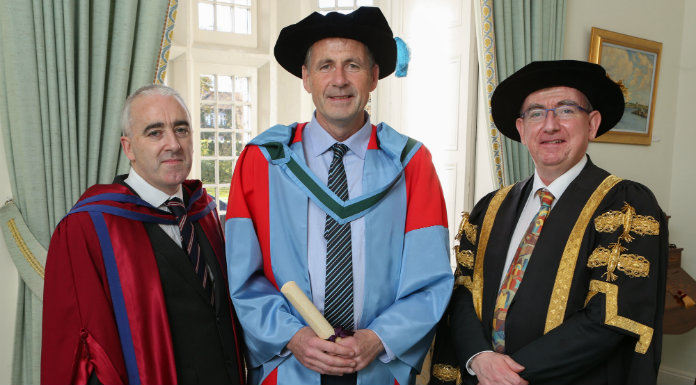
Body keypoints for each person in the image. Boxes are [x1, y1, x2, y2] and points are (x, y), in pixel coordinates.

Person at [225, 6, 453, 385]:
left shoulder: (411, 165)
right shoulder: (261, 161)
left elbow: (430, 280)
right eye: (325, 66)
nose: (340, 80)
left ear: (375, 77)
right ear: (306, 77)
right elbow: (243, 278)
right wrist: (292, 336)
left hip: (377, 367)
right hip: (293, 366)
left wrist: (379, 338)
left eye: (353, 65)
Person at [429, 60, 668, 385]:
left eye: (566, 110)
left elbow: (608, 317)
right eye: (536, 113)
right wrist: (479, 359)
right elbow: (462, 293)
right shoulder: (490, 207)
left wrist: (509, 374)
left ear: (592, 124)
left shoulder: (625, 206)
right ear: (521, 130)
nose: (550, 125)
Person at [41, 84, 246, 385]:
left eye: (181, 129)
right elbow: (84, 351)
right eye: (154, 132)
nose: (173, 144)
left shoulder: (205, 212)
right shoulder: (88, 228)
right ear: (128, 148)